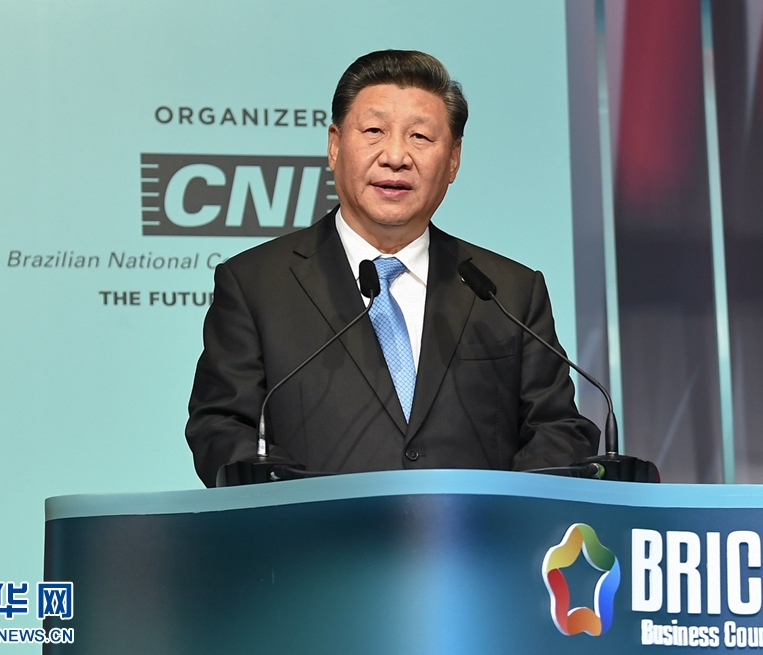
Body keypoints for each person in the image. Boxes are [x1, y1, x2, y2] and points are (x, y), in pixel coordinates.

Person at [186, 50, 599, 487]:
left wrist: (505, 508)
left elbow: (557, 428)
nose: (396, 156)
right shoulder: (255, 284)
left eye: (420, 137)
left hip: (474, 530)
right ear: (334, 145)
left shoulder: (507, 291)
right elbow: (222, 428)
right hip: (313, 529)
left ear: (454, 159)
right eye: (374, 131)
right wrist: (296, 507)